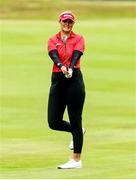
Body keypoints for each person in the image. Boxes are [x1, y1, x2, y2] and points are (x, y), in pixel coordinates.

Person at [47, 11, 86, 169]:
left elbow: (77, 54)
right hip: (57, 79)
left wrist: (70, 68)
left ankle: (76, 160)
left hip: (74, 79)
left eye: (70, 22)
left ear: (73, 23)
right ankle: (77, 131)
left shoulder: (79, 38)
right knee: (53, 121)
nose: (67, 24)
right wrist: (62, 67)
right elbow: (53, 55)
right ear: (60, 22)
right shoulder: (52, 39)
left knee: (75, 118)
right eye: (65, 21)